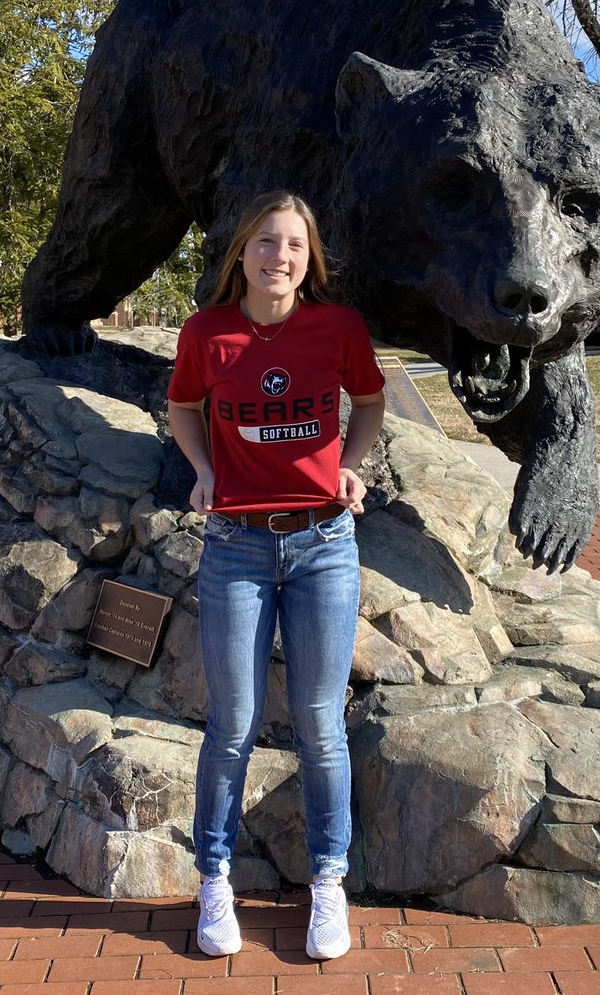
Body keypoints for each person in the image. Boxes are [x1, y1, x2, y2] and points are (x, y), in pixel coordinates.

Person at [167, 192, 386, 961]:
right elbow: (183, 407)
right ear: (243, 253)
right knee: (232, 724)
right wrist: (200, 470)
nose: (279, 257)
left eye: (294, 245)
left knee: (322, 726)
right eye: (266, 243)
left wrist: (351, 467)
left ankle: (329, 884)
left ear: (309, 258)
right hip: (235, 546)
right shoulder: (207, 332)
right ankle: (214, 879)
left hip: (325, 545)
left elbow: (371, 399)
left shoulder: (338, 328)